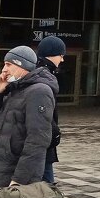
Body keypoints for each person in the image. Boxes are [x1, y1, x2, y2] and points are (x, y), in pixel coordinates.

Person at [0, 46, 58, 192]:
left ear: (22, 65)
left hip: (17, 179)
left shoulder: (39, 91)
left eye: (9, 64)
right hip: (3, 172)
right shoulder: (15, 89)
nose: (4, 69)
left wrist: (19, 180)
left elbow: (37, 140)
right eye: (4, 64)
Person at [35, 35, 66, 184]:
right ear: (52, 54)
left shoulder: (43, 73)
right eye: (61, 55)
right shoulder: (43, 76)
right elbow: (43, 112)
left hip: (43, 142)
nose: (62, 60)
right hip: (41, 142)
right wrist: (54, 132)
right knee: (46, 186)